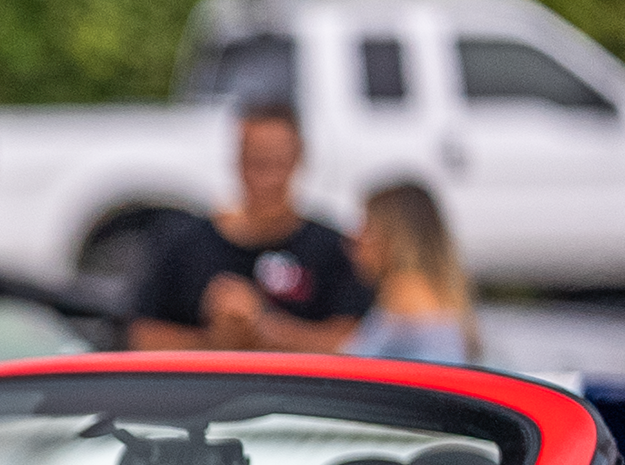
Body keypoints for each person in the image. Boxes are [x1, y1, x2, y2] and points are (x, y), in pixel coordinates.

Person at [129, 100, 367, 351]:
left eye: (278, 162)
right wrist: (218, 338)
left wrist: (262, 327)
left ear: (299, 157)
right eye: (257, 162)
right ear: (237, 159)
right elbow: (142, 339)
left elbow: (356, 344)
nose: (268, 179)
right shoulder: (184, 244)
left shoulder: (333, 249)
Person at [339, 182, 479, 364]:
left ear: (395, 238)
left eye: (368, 228)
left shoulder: (412, 306)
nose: (355, 238)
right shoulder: (410, 306)